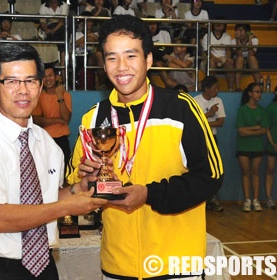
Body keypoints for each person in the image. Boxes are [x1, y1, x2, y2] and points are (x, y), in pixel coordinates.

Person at [67, 15, 223, 279]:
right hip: (118, 265)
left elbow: (210, 177)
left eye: (131, 56)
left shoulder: (181, 107)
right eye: (112, 57)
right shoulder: (93, 118)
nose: (121, 67)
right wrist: (85, 179)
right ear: (103, 65)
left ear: (148, 60)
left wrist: (149, 194)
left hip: (177, 263)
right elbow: (75, 184)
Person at [0, 43, 107, 280]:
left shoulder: (46, 142)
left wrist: (78, 189)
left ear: (41, 85)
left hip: (44, 266)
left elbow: (47, 199)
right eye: (12, 81)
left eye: (30, 81)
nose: (23, 90)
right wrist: (67, 207)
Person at [33, 64, 72, 177]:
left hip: (62, 139)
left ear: (56, 77)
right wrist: (58, 120)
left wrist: (60, 97)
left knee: (64, 172)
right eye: (44, 76)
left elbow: (66, 118)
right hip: (44, 138)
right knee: (45, 173)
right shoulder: (38, 96)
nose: (47, 79)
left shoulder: (65, 95)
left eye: (50, 75)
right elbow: (37, 120)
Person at [194, 75, 225, 212]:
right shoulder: (196, 101)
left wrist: (203, 122)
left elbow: (220, 122)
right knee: (199, 168)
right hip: (200, 139)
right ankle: (199, 199)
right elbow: (195, 122)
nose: (217, 91)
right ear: (206, 89)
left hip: (212, 137)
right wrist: (210, 113)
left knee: (214, 168)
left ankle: (212, 198)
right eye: (215, 88)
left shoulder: (218, 100)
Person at [236, 83, 267, 212]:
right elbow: (240, 130)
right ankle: (247, 200)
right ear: (250, 93)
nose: (259, 94)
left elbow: (264, 130)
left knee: (255, 173)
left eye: (260, 92)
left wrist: (249, 131)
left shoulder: (262, 110)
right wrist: (255, 128)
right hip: (243, 146)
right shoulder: (242, 110)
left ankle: (255, 199)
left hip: (257, 146)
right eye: (256, 92)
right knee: (245, 172)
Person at [200, 20, 235, 91]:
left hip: (224, 59)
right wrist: (216, 59)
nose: (218, 25)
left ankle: (230, 89)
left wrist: (226, 59)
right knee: (212, 63)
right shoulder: (207, 36)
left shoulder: (227, 36)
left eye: (221, 23)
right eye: (217, 23)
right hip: (211, 58)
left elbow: (228, 51)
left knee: (229, 65)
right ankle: (211, 88)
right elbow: (207, 51)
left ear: (224, 26)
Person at [39, 0, 69, 66]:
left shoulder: (64, 5)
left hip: (60, 29)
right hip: (49, 29)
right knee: (62, 41)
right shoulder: (43, 6)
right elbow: (42, 22)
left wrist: (53, 30)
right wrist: (46, 29)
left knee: (64, 30)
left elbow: (62, 21)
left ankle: (61, 64)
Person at [232, 24, 261, 92]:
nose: (238, 32)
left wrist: (250, 39)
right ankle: (238, 87)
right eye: (237, 30)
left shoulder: (255, 40)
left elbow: (251, 53)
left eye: (241, 30)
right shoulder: (233, 41)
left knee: (252, 58)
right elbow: (239, 54)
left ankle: (259, 86)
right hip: (238, 60)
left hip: (249, 60)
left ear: (247, 32)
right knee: (240, 59)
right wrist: (238, 40)